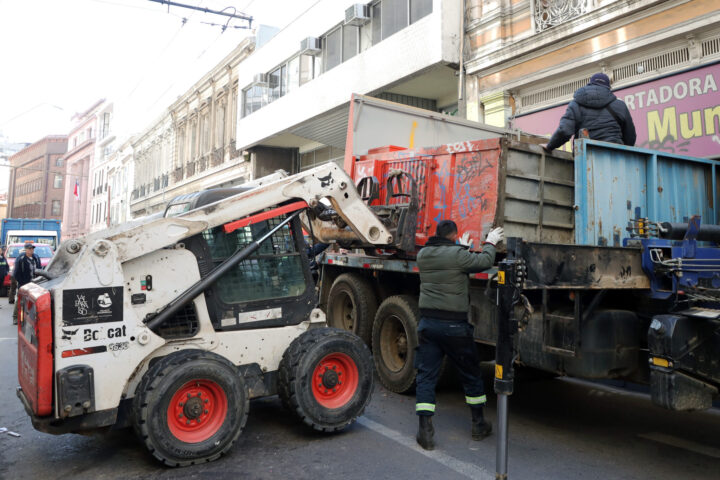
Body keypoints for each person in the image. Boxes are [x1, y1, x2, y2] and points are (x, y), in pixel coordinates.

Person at [414, 220, 504, 450]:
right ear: (454, 235)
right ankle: (478, 424)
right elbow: (484, 261)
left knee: (426, 376)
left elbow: (448, 263)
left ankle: (425, 428)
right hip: (454, 327)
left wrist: (461, 249)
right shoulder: (457, 255)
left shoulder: (423, 255)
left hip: (428, 325)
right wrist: (490, 242)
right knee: (470, 374)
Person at [544, 72, 636, 152]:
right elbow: (630, 136)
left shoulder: (576, 104)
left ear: (590, 84)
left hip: (585, 156)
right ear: (608, 87)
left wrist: (550, 146)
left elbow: (564, 131)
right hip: (615, 154)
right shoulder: (620, 105)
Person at [12, 243, 42, 324]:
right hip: (24, 284)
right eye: (29, 249)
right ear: (25, 249)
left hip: (35, 284)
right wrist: (22, 283)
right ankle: (15, 317)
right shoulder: (21, 259)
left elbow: (39, 269)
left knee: (33, 301)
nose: (31, 250)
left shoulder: (36, 257)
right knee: (20, 300)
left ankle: (31, 318)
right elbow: (16, 273)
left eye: (32, 248)